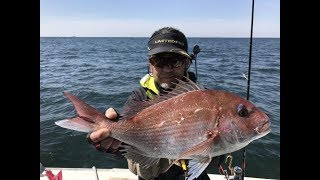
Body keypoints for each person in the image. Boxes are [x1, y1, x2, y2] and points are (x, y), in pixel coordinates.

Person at [87, 27, 224, 180]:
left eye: (175, 61)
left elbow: (218, 159)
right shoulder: (139, 97)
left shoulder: (206, 99)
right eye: (159, 61)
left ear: (187, 63)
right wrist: (109, 143)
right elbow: (127, 148)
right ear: (150, 64)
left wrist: (215, 146)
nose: (166, 68)